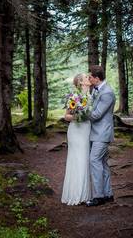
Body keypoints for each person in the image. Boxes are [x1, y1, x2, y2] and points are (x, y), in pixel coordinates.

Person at [85, 64, 114, 206]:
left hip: (102, 134)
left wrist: (82, 109)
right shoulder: (97, 90)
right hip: (97, 133)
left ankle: (98, 196)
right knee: (102, 163)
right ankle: (108, 194)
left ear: (97, 78)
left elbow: (96, 115)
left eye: (90, 76)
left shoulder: (107, 92)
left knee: (94, 161)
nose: (89, 78)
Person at [60, 72, 92, 205]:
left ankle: (84, 194)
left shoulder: (92, 95)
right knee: (76, 159)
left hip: (86, 130)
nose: (88, 77)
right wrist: (77, 116)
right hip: (76, 130)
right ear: (80, 82)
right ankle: (75, 194)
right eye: (86, 77)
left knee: (85, 159)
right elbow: (66, 116)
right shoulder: (74, 96)